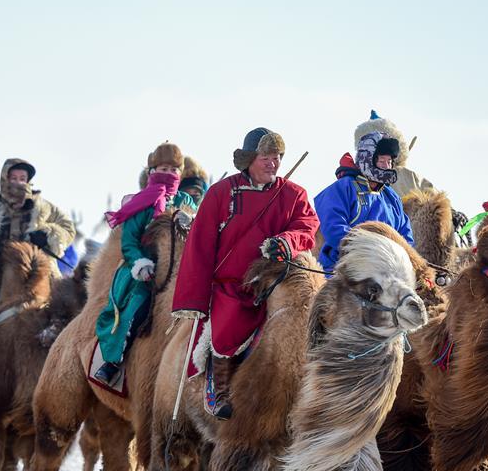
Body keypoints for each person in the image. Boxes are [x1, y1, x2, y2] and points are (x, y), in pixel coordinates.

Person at [171, 128, 319, 420]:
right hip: (232, 286)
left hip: (275, 281)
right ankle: (220, 389)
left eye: (277, 157)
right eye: (266, 157)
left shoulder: (293, 194)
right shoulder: (220, 193)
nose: (273, 164)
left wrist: (286, 242)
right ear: (249, 159)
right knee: (229, 322)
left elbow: (307, 225)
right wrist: (194, 297)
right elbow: (200, 245)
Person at [93, 142, 198, 385]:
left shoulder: (186, 200)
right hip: (143, 270)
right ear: (152, 171)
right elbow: (129, 241)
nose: (169, 174)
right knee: (137, 305)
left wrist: (192, 220)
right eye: (163, 169)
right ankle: (113, 361)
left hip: (180, 267)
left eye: (174, 170)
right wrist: (140, 263)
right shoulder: (142, 202)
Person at [0, 158, 75, 334]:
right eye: (13, 178)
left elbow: (68, 228)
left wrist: (48, 235)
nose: (18, 182)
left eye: (22, 178)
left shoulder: (44, 207)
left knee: (54, 326)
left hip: (36, 279)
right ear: (5, 178)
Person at [315, 114, 415, 271]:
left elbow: (405, 237)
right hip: (344, 268)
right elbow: (334, 229)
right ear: (367, 159)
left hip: (389, 270)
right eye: (382, 161)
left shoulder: (391, 198)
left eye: (389, 162)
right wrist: (371, 253)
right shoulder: (341, 189)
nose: (386, 166)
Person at [355, 110, 435, 197]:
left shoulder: (356, 177)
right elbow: (438, 200)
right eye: (381, 160)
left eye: (388, 161)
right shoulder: (410, 176)